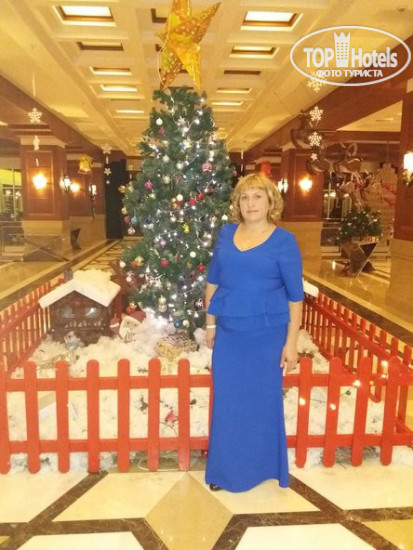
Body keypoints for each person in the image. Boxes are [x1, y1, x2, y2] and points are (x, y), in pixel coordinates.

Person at [204, 172, 304, 493]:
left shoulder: (284, 241)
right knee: (228, 403)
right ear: (237, 203)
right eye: (244, 197)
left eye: (258, 196)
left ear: (270, 201)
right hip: (230, 335)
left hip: (266, 337)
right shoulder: (226, 234)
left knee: (261, 403)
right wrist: (210, 323)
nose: (251, 204)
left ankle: (262, 468)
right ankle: (225, 471)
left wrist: (291, 343)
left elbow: (295, 297)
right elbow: (213, 281)